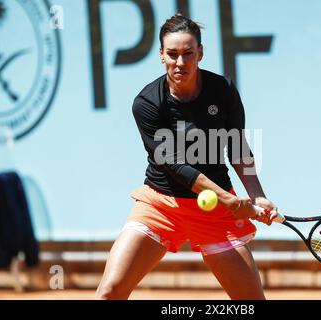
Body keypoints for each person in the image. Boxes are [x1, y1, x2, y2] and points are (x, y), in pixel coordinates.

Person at [95, 14, 278, 300]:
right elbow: (176, 167)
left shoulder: (223, 91)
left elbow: (238, 147)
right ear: (161, 55)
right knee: (109, 292)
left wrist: (258, 195)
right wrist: (229, 199)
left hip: (214, 212)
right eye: (172, 54)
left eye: (188, 54)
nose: (180, 63)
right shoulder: (147, 103)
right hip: (161, 205)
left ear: (200, 53)